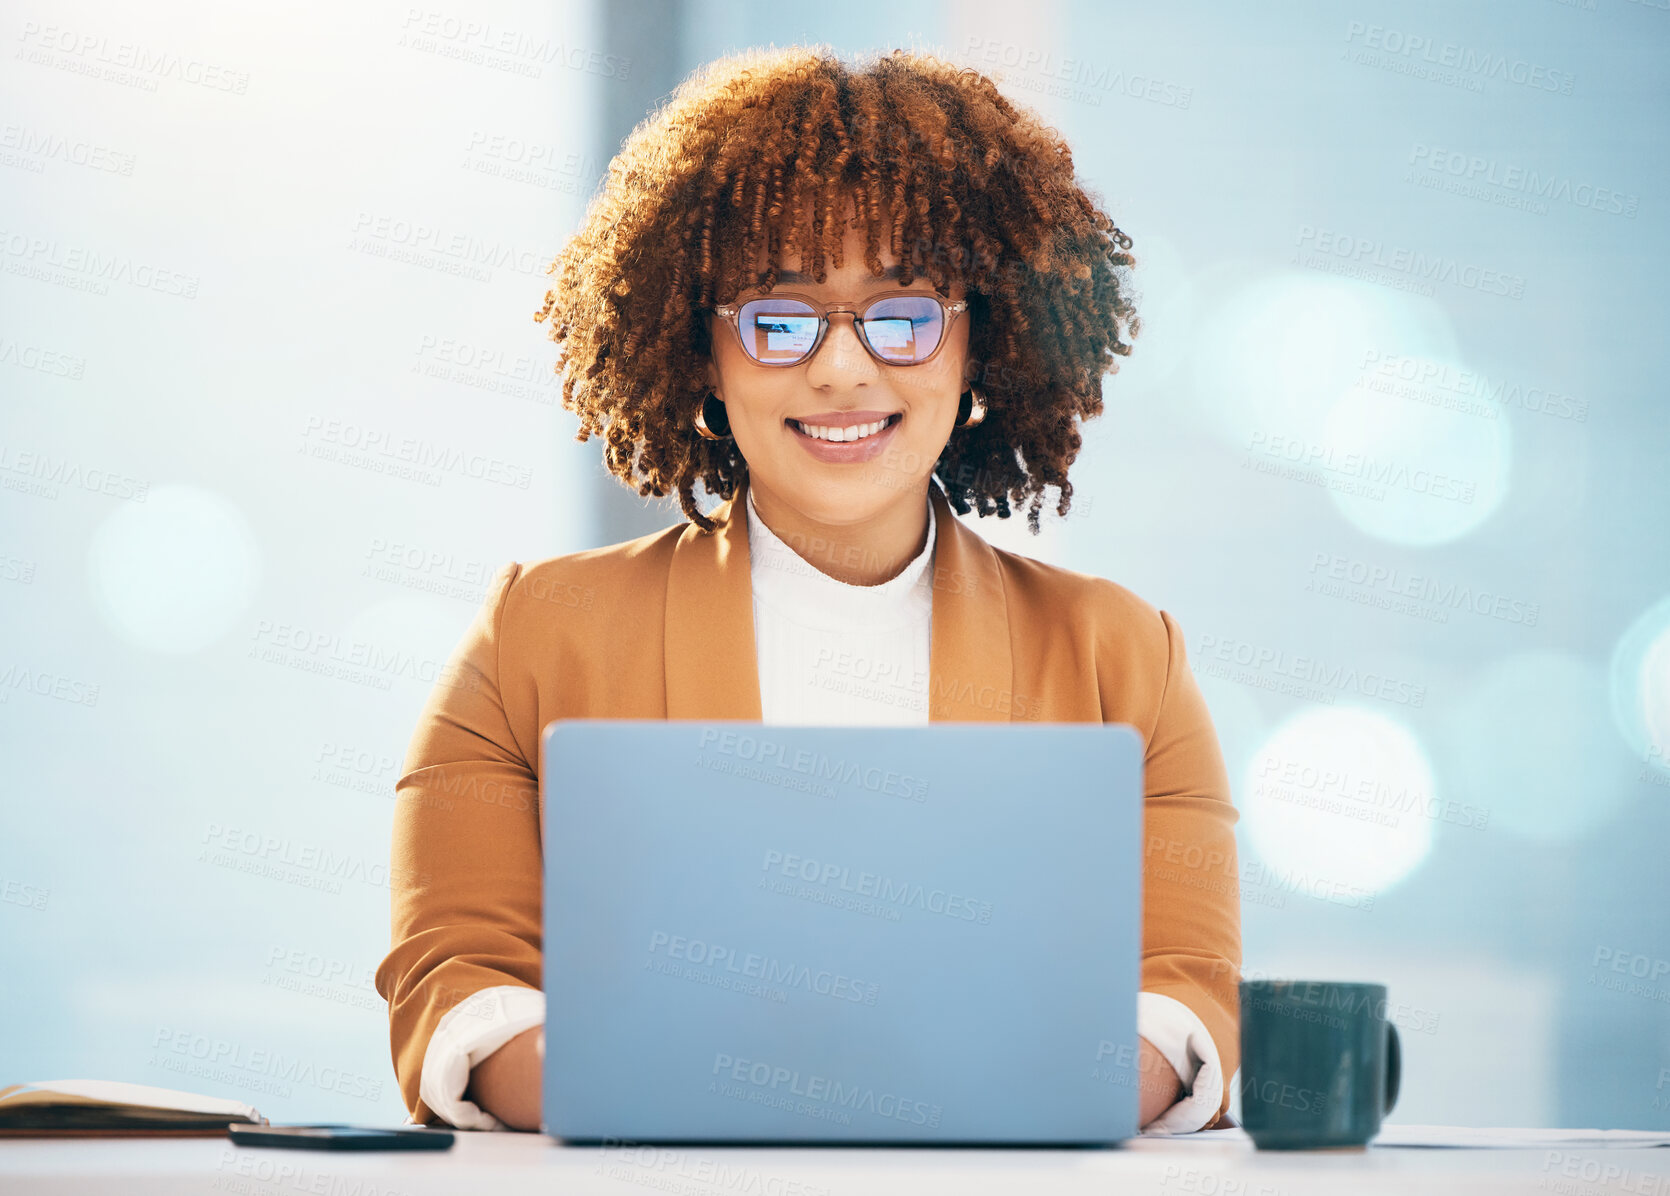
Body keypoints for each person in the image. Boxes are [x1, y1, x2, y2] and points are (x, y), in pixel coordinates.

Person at [374, 44, 1240, 1135]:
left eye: (904, 313)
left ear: (981, 343)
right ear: (701, 348)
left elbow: (1181, 995)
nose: (840, 369)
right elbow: (457, 987)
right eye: (779, 318)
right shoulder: (534, 640)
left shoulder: (1123, 658)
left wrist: (921, 1094)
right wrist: (758, 1092)